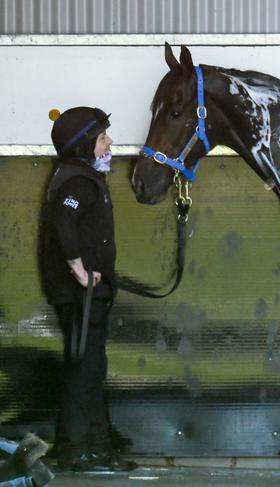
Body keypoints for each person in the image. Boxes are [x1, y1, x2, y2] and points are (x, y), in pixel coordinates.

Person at [42, 107, 136, 472]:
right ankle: (77, 450)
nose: (108, 142)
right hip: (81, 297)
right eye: (101, 138)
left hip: (89, 297)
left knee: (91, 369)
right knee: (85, 372)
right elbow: (64, 224)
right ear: (84, 146)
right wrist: (79, 269)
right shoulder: (78, 181)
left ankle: (94, 448)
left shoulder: (78, 176)